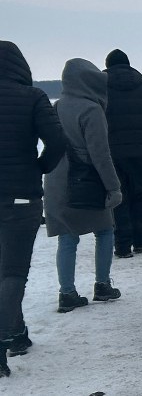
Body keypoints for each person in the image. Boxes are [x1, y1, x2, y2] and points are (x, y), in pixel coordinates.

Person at [0, 41, 65, 376]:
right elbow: (58, 141)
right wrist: (39, 167)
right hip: (20, 197)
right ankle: (6, 339)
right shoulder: (33, 97)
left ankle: (16, 332)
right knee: (12, 272)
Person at [45, 59, 124, 314]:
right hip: (87, 181)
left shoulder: (57, 106)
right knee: (105, 230)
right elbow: (100, 154)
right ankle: (102, 285)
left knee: (67, 237)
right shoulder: (91, 109)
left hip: (58, 180)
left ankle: (67, 293)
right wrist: (113, 187)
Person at [103, 49, 142, 258]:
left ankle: (123, 246)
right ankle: (140, 242)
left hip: (113, 152)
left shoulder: (101, 88)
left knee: (118, 195)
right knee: (139, 193)